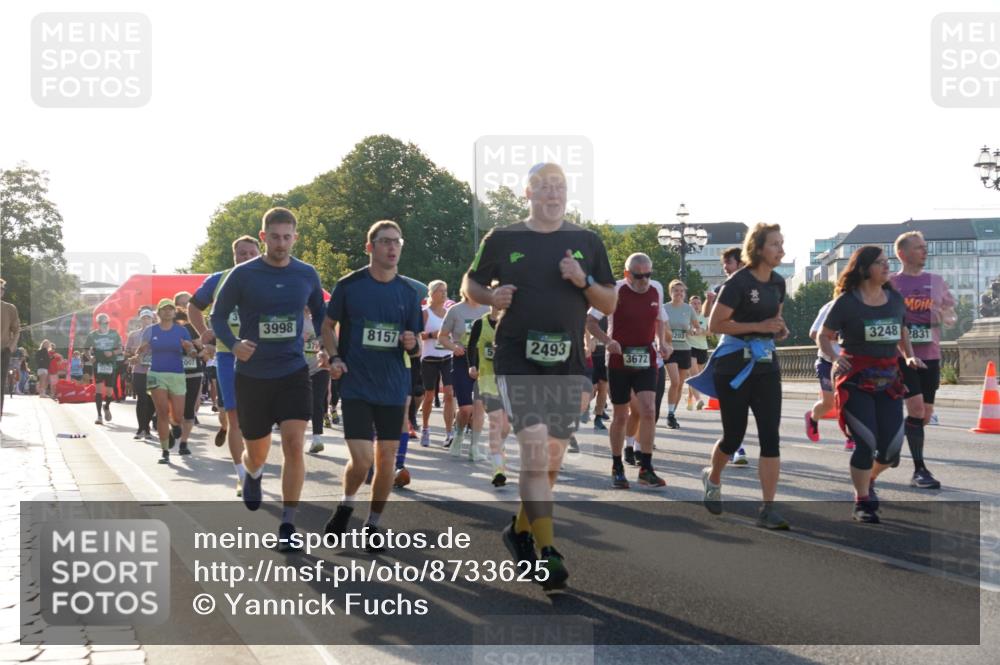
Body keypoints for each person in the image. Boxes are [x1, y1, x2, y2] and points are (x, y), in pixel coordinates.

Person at [464, 162, 616, 590]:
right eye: (544, 188)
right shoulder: (504, 238)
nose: (553, 194)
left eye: (560, 187)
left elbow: (610, 304)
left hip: (566, 361)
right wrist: (490, 295)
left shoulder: (586, 241)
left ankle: (519, 531)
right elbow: (470, 284)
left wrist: (582, 279)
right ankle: (548, 552)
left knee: (550, 462)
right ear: (527, 195)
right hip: (517, 357)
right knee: (533, 449)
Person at [211, 208, 326, 550]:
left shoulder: (306, 274)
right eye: (274, 237)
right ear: (263, 237)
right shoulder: (243, 274)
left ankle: (289, 525)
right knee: (257, 452)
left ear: (295, 237)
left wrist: (325, 347)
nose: (281, 243)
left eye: (287, 237)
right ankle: (254, 473)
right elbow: (216, 317)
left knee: (293, 444)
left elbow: (321, 314)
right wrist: (233, 344)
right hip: (252, 375)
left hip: (292, 371)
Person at [321, 220, 422, 551]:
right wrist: (334, 357)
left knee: (387, 457)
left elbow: (417, 345)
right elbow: (327, 325)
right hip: (357, 384)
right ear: (370, 247)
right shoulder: (349, 285)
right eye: (385, 242)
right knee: (363, 460)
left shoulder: (409, 292)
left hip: (394, 386)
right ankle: (347, 504)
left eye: (397, 242)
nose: (392, 248)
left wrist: (411, 343)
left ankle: (373, 524)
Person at [689, 223, 790, 529]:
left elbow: (775, 320)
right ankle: (713, 476)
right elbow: (716, 325)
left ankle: (768, 507)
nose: (781, 249)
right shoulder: (738, 282)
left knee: (770, 436)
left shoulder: (778, 283)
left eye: (782, 243)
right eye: (775, 244)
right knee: (734, 436)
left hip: (766, 365)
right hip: (732, 365)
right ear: (758, 248)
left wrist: (779, 329)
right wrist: (758, 328)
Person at [819, 246, 921, 523]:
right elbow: (824, 336)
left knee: (890, 450)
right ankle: (863, 501)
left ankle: (870, 478)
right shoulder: (847, 303)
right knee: (866, 443)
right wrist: (835, 357)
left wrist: (909, 356)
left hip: (889, 382)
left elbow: (902, 332)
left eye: (887, 262)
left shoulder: (895, 299)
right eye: (880, 263)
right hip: (855, 380)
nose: (887, 267)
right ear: (864, 269)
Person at [586, 253, 670, 489]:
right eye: (638, 275)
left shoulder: (656, 289)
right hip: (618, 359)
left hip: (646, 358)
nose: (644, 280)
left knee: (649, 410)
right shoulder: (614, 291)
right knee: (621, 415)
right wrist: (607, 341)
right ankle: (617, 466)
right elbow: (590, 322)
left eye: (648, 274)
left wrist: (662, 342)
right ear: (626, 274)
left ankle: (646, 467)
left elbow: (659, 320)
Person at [189, 234, 262, 496]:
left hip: (262, 356)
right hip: (227, 354)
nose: (246, 257)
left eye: (251, 253)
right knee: (234, 418)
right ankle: (242, 476)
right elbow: (194, 307)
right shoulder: (219, 279)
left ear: (259, 253)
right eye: (241, 253)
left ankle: (254, 465)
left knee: (257, 418)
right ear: (234, 256)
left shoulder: (271, 277)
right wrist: (204, 333)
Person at [885, 231, 956, 490]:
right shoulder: (891, 283)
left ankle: (890, 445)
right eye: (918, 248)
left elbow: (949, 311)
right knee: (915, 410)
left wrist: (948, 318)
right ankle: (919, 470)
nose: (924, 251)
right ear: (902, 253)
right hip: (902, 357)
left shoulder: (936, 281)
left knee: (924, 415)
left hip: (931, 355)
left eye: (925, 247)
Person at [134, 299, 195, 463]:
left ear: (175, 313)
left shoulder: (181, 331)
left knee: (178, 415)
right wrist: (137, 356)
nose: (168, 312)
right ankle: (165, 451)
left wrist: (191, 350)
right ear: (158, 313)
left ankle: (175, 425)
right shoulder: (150, 330)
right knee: (161, 412)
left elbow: (190, 348)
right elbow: (143, 348)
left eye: (170, 309)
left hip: (177, 374)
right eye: (164, 309)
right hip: (156, 374)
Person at [437, 288, 490, 459]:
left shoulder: (487, 309)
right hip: (461, 359)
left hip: (483, 360)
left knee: (479, 407)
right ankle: (459, 435)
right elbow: (442, 336)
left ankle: (474, 447)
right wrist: (454, 347)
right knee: (466, 408)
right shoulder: (456, 310)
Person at [468, 302, 512, 486]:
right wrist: (472, 365)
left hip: (509, 381)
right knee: (495, 422)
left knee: (505, 426)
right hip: (487, 380)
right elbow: (471, 346)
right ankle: (498, 469)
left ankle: (499, 449)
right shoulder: (480, 323)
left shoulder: (513, 323)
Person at [805, 299, 855, 450]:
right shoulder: (830, 307)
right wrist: (837, 334)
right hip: (828, 361)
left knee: (851, 402)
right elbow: (814, 333)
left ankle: (851, 437)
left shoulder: (866, 305)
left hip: (851, 363)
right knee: (828, 403)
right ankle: (813, 418)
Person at [418, 280, 455, 447]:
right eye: (440, 291)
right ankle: (425, 428)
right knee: (429, 396)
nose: (444, 294)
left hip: (447, 357)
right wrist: (435, 334)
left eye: (445, 291)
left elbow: (454, 334)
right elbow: (420, 335)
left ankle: (449, 433)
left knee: (448, 393)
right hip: (429, 358)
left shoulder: (449, 313)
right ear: (431, 294)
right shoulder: (425, 313)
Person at [663, 279, 699, 429]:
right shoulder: (664, 307)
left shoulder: (688, 309)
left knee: (680, 385)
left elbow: (697, 327)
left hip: (685, 349)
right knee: (675, 382)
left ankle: (672, 414)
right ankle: (670, 414)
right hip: (670, 349)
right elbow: (660, 327)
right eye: (675, 291)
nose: (678, 293)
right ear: (670, 292)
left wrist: (693, 331)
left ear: (684, 293)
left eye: (681, 291)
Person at [174, 308, 208, 454]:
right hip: (174, 374)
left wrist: (199, 351)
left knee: (189, 410)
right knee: (176, 409)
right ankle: (174, 425)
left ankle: (184, 443)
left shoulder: (195, 331)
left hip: (194, 373)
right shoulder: (168, 332)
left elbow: (206, 352)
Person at [86, 313, 123, 425]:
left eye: (106, 322)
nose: (104, 324)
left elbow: (120, 349)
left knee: (109, 392)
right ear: (98, 323)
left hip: (111, 365)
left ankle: (106, 406)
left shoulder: (114, 333)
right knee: (98, 390)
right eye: (102, 322)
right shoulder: (92, 335)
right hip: (98, 365)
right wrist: (90, 357)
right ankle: (99, 416)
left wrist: (112, 352)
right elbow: (86, 349)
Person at [125, 308, 156, 440]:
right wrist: (132, 356)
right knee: (141, 399)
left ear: (152, 319)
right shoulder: (133, 335)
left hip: (154, 370)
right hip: (138, 370)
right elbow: (126, 352)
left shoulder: (158, 333)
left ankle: (146, 426)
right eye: (143, 318)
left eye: (148, 318)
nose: (146, 320)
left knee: (152, 401)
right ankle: (141, 429)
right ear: (140, 319)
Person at [303, 308, 329, 454]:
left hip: (320, 368)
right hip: (299, 369)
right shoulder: (293, 317)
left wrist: (322, 345)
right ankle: (298, 435)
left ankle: (317, 437)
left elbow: (331, 338)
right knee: (302, 404)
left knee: (317, 402)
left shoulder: (322, 319)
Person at [686, 294, 709, 410]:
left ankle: (690, 398)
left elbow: (712, 332)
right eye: (694, 303)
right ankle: (699, 400)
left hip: (702, 348)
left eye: (698, 303)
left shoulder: (705, 317)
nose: (696, 305)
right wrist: (689, 331)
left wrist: (703, 331)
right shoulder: (686, 315)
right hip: (690, 347)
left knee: (698, 377)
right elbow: (681, 328)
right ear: (690, 304)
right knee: (693, 374)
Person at [1, 278, 19, 416]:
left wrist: (10, 348)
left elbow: (16, 330)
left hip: (2, 351)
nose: (1, 291)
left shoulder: (10, 308)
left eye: (2, 289)